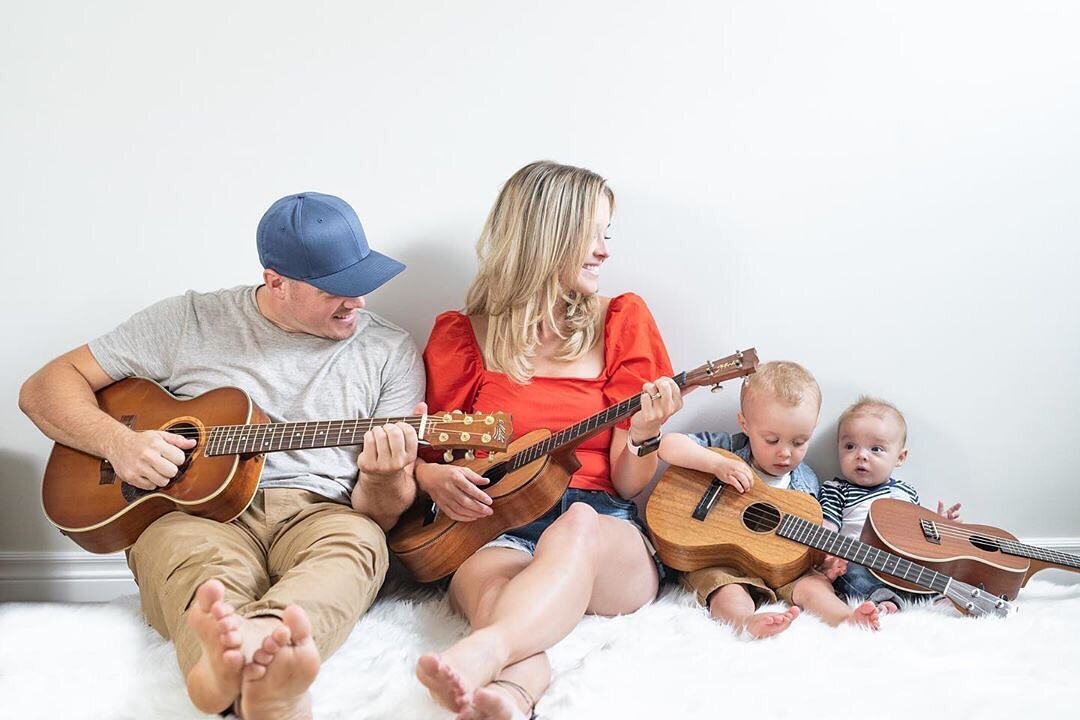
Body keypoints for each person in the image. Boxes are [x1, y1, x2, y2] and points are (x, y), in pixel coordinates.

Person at [18, 192, 426, 720]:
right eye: (336, 290)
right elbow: (45, 387)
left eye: (363, 284)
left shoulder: (388, 351)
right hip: (193, 513)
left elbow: (379, 513)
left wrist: (385, 476)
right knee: (190, 559)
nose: (358, 303)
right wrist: (118, 443)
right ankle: (252, 673)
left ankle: (256, 655)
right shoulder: (187, 320)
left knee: (360, 542)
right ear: (276, 280)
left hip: (324, 513)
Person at [413, 161, 682, 720]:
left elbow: (630, 481)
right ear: (544, 232)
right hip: (495, 521)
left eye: (608, 234)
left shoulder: (621, 322)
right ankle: (510, 696)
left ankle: (481, 651)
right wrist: (432, 476)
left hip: (603, 526)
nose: (605, 250)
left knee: (575, 526)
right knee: (494, 597)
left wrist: (647, 433)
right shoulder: (461, 336)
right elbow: (431, 455)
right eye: (592, 233)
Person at [657, 360, 887, 639]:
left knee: (813, 585)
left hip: (781, 572)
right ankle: (744, 621)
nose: (785, 453)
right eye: (771, 440)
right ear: (745, 423)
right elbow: (667, 445)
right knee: (725, 586)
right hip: (722, 560)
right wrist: (716, 464)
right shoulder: (729, 448)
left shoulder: (807, 483)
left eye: (799, 442)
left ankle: (845, 618)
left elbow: (805, 548)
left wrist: (824, 562)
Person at [821, 396, 962, 611]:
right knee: (848, 572)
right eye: (850, 446)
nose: (861, 456)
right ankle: (883, 600)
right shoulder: (837, 490)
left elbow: (920, 537)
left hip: (903, 563)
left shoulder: (906, 492)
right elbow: (826, 528)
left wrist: (941, 526)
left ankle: (940, 595)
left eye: (875, 449)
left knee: (936, 567)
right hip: (863, 561)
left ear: (900, 457)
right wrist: (827, 557)